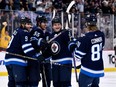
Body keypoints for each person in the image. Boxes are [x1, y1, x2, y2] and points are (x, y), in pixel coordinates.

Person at [4, 17, 44, 87]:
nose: (30, 26)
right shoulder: (24, 32)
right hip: (17, 60)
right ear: (23, 24)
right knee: (21, 83)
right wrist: (37, 55)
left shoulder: (16, 30)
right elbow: (27, 49)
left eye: (30, 24)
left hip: (8, 60)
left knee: (12, 83)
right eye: (28, 24)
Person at [68, 14, 105, 87]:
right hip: (98, 70)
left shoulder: (85, 39)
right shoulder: (101, 35)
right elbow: (98, 46)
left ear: (86, 24)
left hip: (87, 71)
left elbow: (78, 56)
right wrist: (78, 41)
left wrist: (72, 46)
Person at [30, 15, 52, 87]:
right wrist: (41, 42)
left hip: (43, 59)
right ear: (39, 23)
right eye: (43, 22)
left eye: (46, 22)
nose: (45, 24)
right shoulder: (37, 30)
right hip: (37, 59)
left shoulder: (45, 33)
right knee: (41, 79)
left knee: (46, 79)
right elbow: (33, 42)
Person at [50, 18, 73, 87]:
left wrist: (69, 37)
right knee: (56, 84)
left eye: (58, 24)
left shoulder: (65, 33)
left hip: (65, 63)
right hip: (54, 63)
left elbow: (71, 42)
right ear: (52, 26)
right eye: (55, 25)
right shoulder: (51, 36)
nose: (57, 26)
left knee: (65, 83)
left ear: (61, 25)